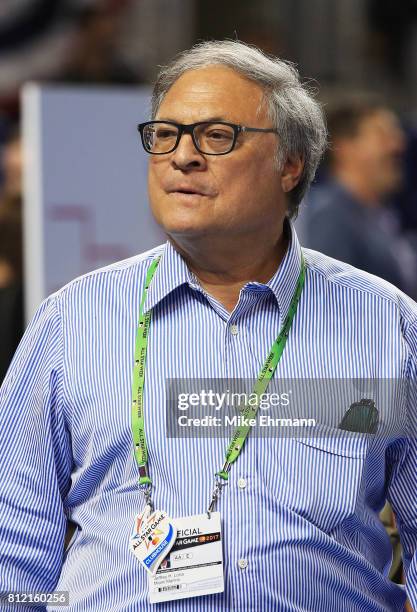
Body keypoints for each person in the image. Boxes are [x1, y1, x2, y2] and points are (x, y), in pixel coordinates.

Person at [0, 40, 416, 611]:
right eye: (165, 135)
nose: (182, 156)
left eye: (216, 136)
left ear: (290, 164)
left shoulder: (386, 325)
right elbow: (13, 548)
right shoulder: (71, 321)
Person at [299, 97, 417, 297]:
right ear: (346, 148)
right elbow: (331, 301)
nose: (399, 144)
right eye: (383, 135)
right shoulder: (331, 216)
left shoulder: (381, 213)